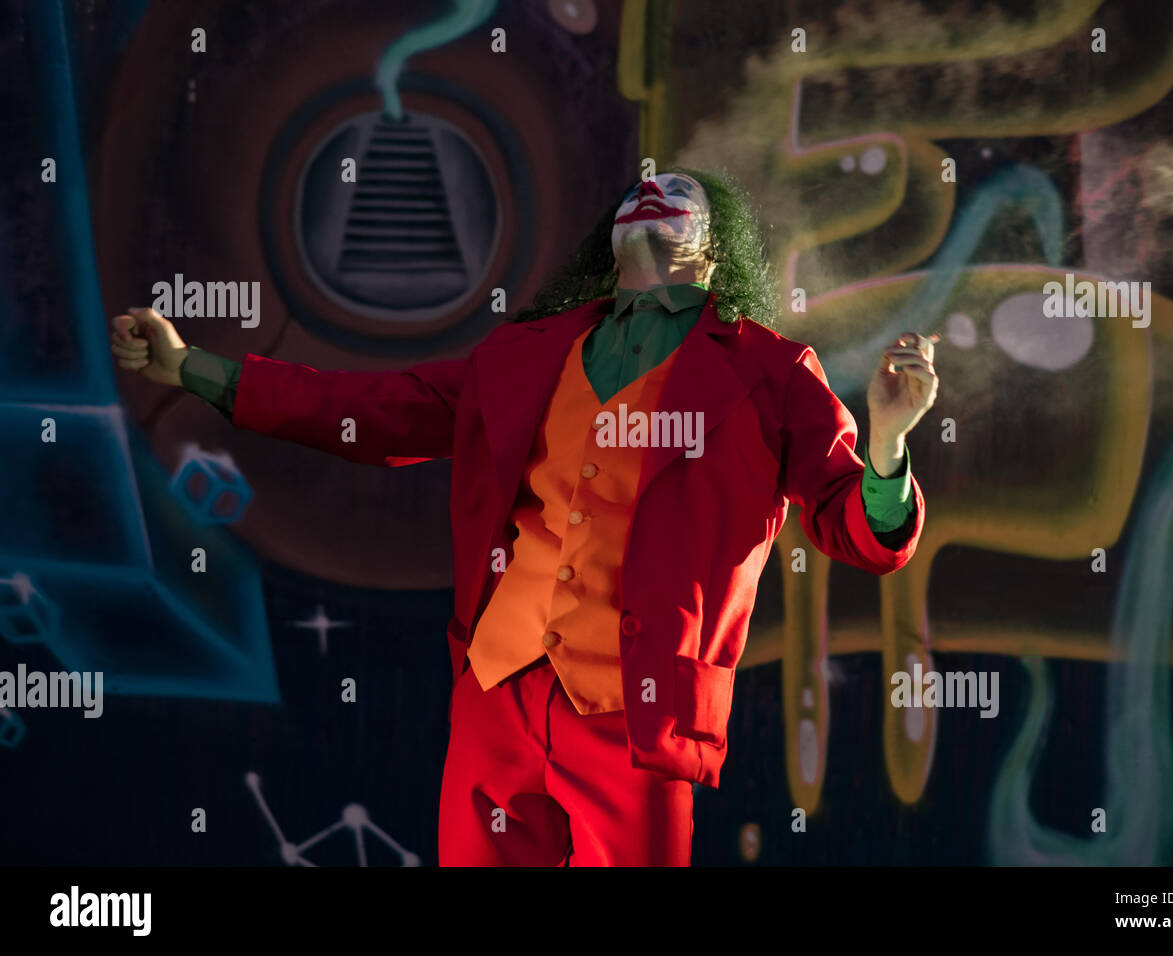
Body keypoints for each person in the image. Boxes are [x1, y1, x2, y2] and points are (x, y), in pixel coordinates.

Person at [109, 166, 939, 866]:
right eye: (644, 190)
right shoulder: (526, 354)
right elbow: (373, 409)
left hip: (637, 717)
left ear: (715, 253)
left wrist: (891, 446)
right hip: (496, 699)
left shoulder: (773, 374)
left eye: (679, 197)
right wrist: (194, 369)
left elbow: (854, 526)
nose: (653, 195)